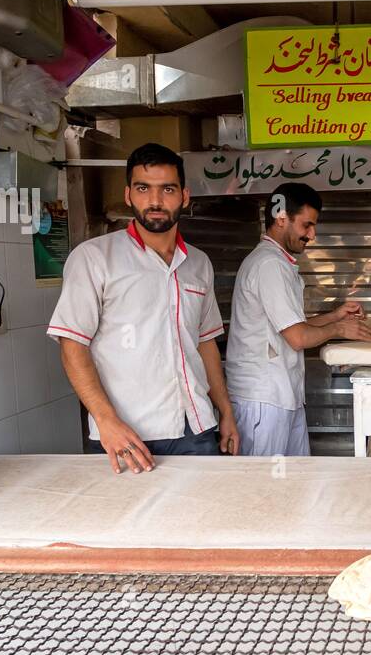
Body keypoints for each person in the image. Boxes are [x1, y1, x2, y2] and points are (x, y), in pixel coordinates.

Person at [48, 143, 239, 473]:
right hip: (125, 433)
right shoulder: (94, 258)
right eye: (143, 188)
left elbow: (205, 343)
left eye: (167, 189)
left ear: (184, 196)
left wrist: (225, 411)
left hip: (196, 431)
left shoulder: (198, 263)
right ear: (128, 195)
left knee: (202, 520)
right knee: (128, 524)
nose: (155, 201)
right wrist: (105, 420)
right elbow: (72, 345)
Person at [225, 182, 371, 456]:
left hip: (281, 395)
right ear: (281, 218)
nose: (312, 235)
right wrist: (340, 327)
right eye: (307, 225)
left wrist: (335, 314)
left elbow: (292, 327)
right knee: (265, 490)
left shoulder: (278, 263)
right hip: (264, 399)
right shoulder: (269, 265)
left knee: (292, 483)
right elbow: (298, 338)